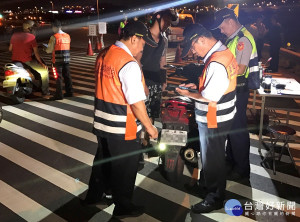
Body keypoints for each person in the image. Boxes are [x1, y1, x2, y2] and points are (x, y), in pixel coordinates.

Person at [85, 21, 158, 218]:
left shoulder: (104, 53)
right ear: (134, 39)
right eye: (143, 43)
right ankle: (123, 205)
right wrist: (149, 126)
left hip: (101, 120)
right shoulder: (128, 63)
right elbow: (135, 102)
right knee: (125, 168)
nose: (143, 47)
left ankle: (94, 195)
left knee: (103, 161)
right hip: (121, 125)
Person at [177, 23, 238, 213]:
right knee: (213, 156)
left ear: (202, 39)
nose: (193, 52)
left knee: (213, 159)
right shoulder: (223, 52)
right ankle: (206, 184)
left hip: (214, 117)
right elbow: (215, 86)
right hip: (222, 114)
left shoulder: (216, 62)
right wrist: (197, 87)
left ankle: (214, 197)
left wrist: (186, 93)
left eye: (193, 47)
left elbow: (210, 96)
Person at [211, 7, 259, 181]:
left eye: (222, 27)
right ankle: (232, 161)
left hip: (239, 90)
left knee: (238, 130)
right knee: (232, 128)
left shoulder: (243, 39)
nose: (221, 30)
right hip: (233, 90)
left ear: (230, 21)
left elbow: (240, 68)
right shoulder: (234, 38)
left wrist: (218, 70)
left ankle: (241, 169)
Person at [139, 9, 178, 146]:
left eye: (170, 22)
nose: (168, 24)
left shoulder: (164, 39)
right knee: (141, 111)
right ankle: (140, 140)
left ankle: (148, 139)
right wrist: (142, 84)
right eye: (166, 20)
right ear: (158, 17)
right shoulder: (143, 36)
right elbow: (136, 62)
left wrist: (164, 81)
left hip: (156, 80)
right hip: (142, 80)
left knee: (153, 112)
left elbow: (163, 62)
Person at [9, 20, 49, 95]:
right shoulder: (31, 37)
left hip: (15, 60)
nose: (34, 30)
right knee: (44, 71)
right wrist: (41, 63)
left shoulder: (14, 35)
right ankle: (45, 91)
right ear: (30, 29)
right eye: (33, 28)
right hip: (26, 61)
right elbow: (36, 53)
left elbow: (10, 49)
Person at [45, 20, 73, 100]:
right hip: (67, 60)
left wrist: (45, 48)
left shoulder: (54, 37)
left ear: (54, 27)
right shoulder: (67, 36)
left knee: (58, 78)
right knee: (67, 76)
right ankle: (70, 92)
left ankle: (59, 95)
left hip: (57, 61)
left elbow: (49, 50)